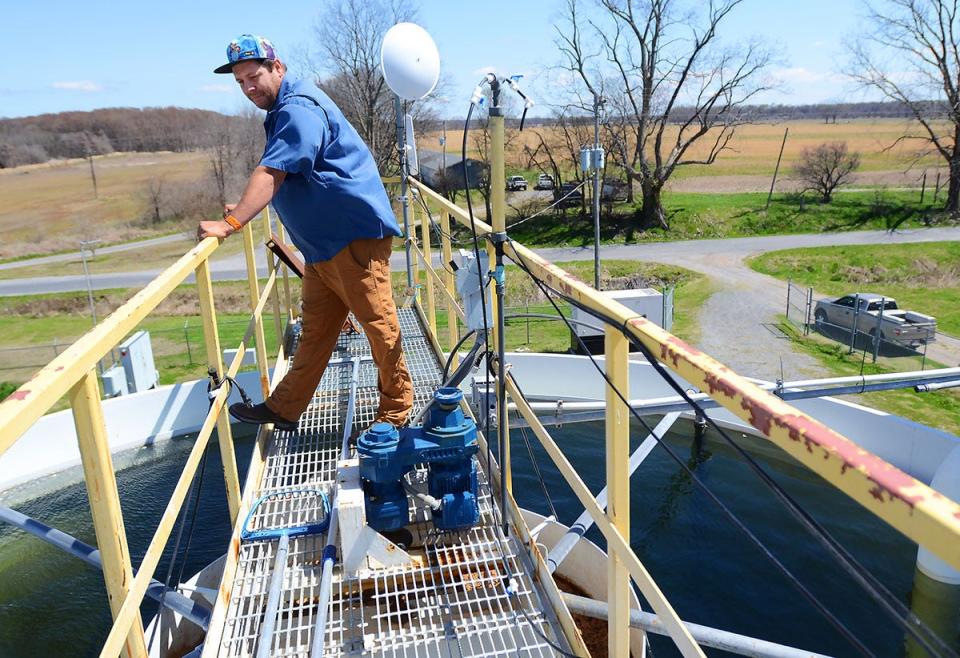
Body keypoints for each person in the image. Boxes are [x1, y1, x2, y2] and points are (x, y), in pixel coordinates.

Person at [199, 34, 413, 432]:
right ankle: (285, 407)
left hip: (352, 241)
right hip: (323, 248)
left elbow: (273, 171)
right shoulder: (284, 107)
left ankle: (397, 412)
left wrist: (232, 224)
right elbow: (290, 176)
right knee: (315, 331)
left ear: (277, 68)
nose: (248, 88)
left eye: (253, 76)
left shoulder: (298, 110)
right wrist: (245, 205)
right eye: (240, 81)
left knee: (378, 327)